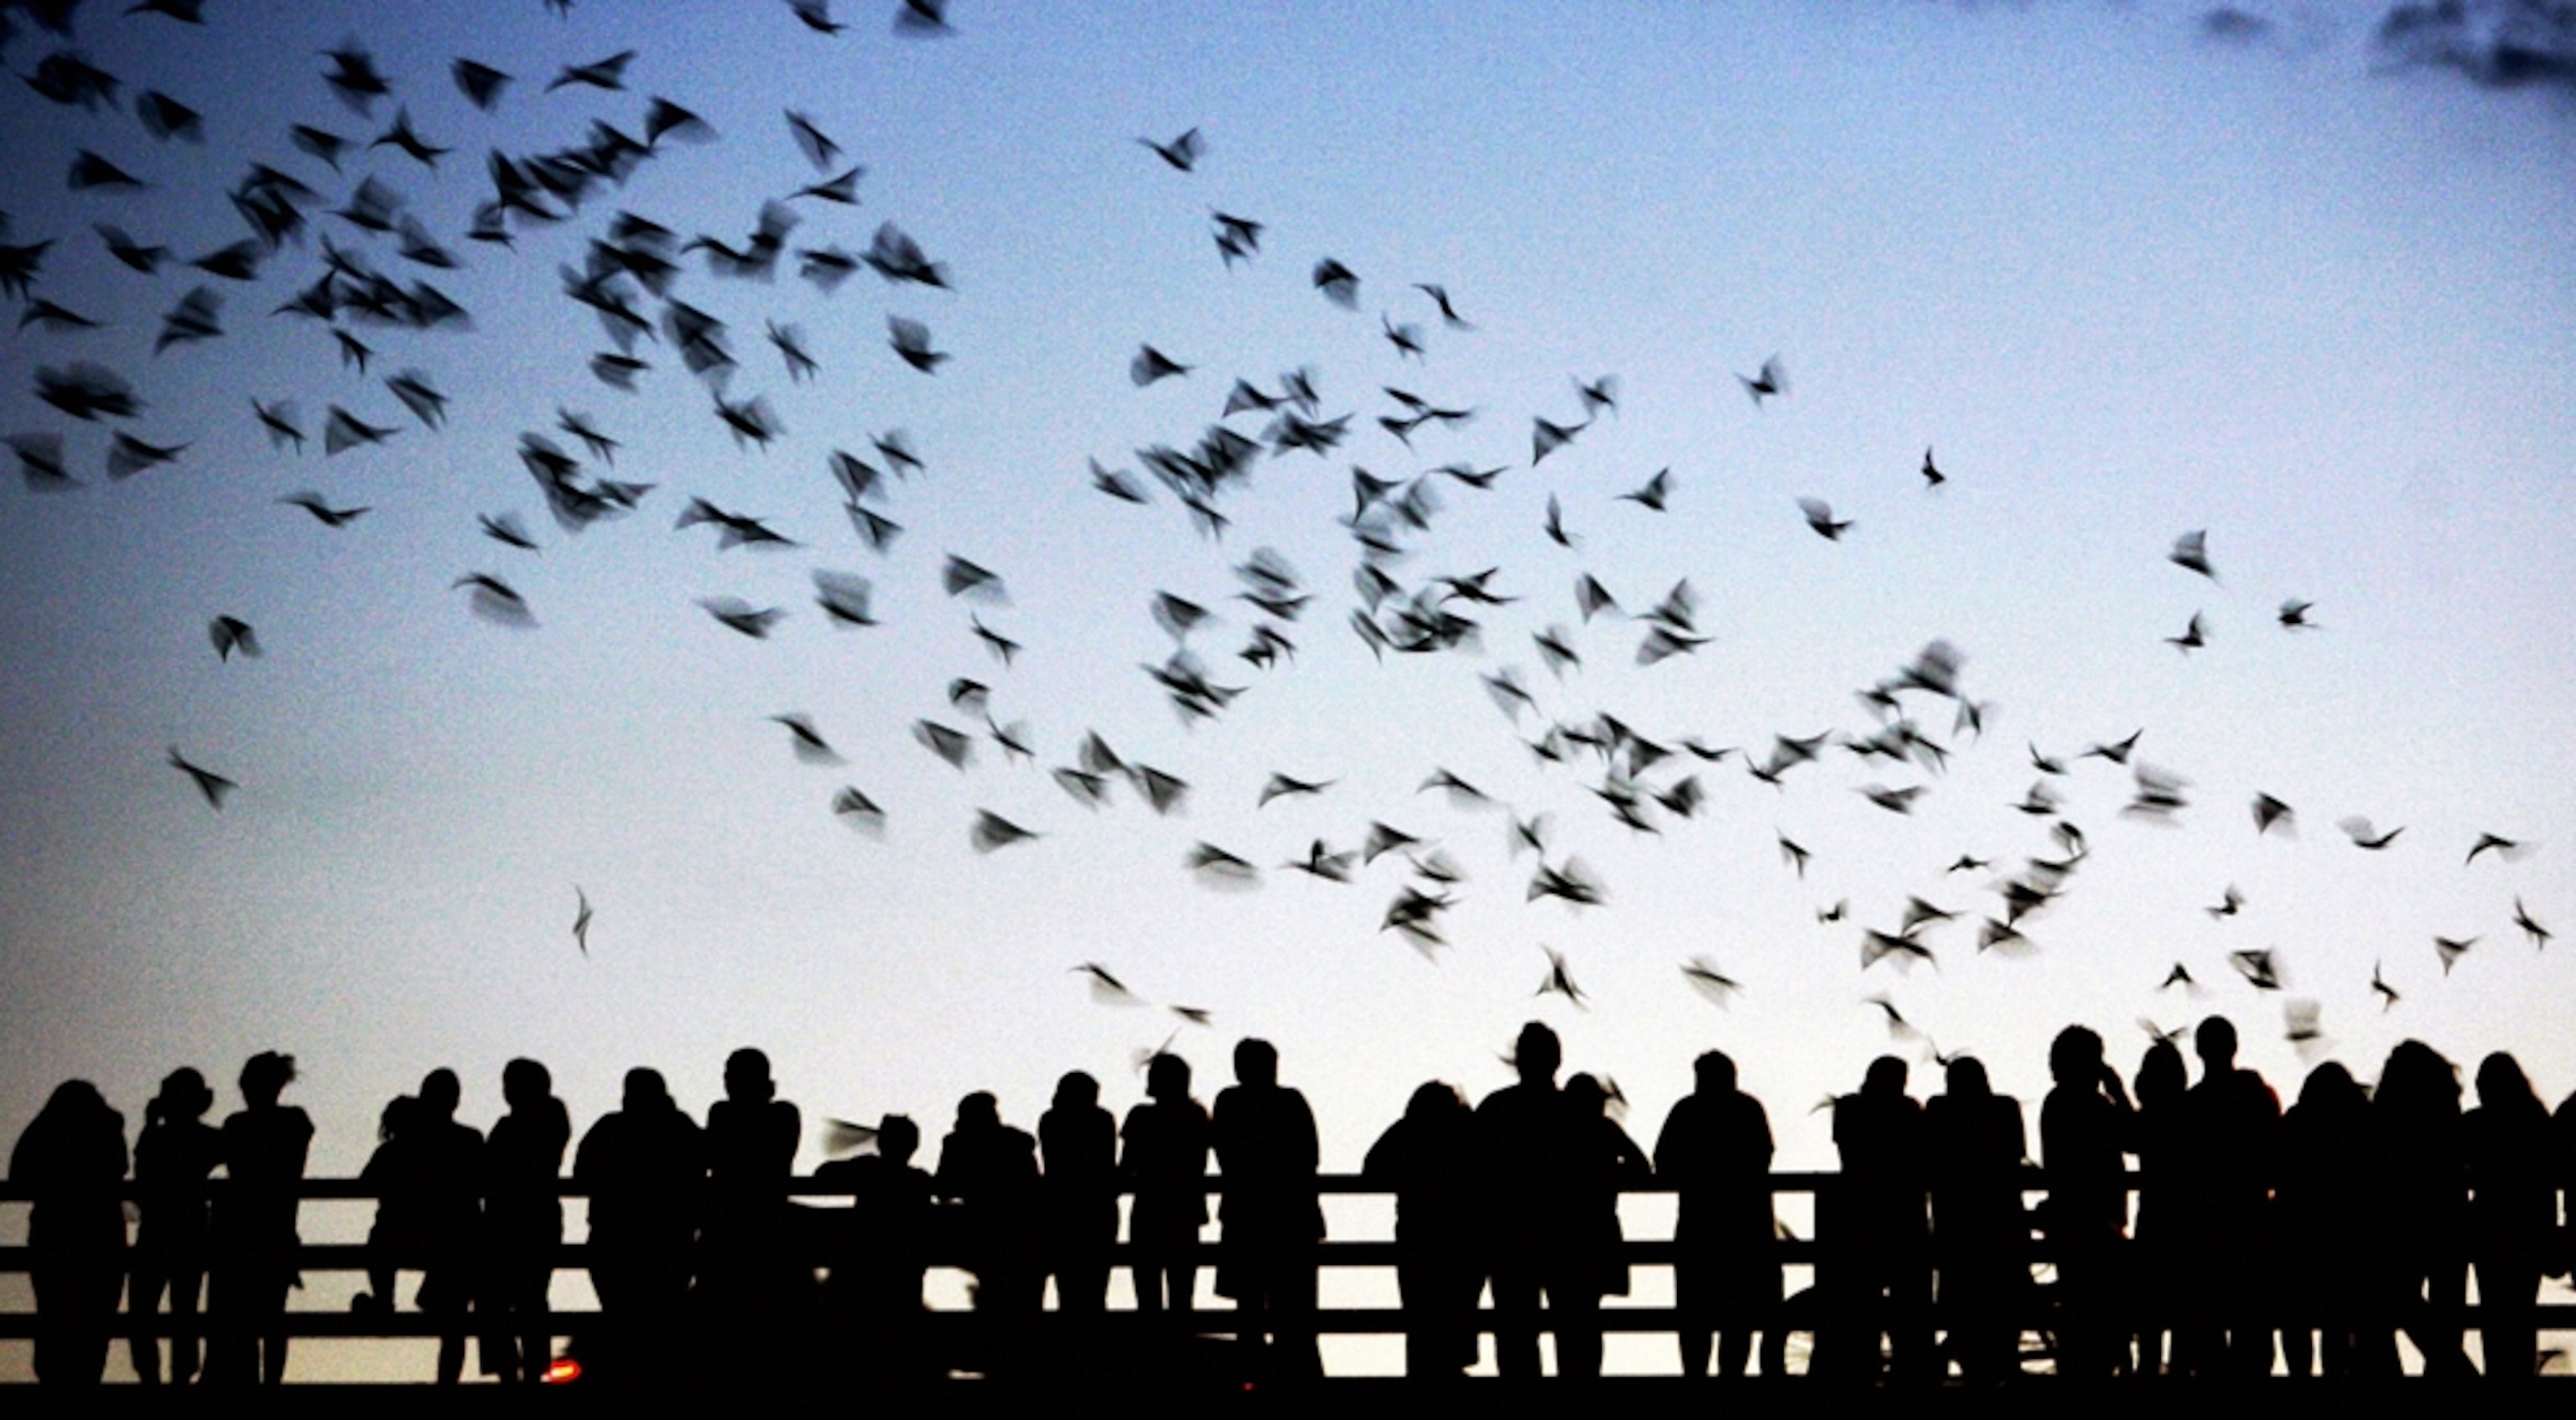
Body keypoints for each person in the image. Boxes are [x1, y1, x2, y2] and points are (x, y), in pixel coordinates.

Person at [572, 1067, 704, 1382]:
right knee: (661, 1320)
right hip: (670, 1239)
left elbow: (582, 1172)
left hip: (616, 1239)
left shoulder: (611, 1128)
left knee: (623, 1319)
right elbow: (702, 1165)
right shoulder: (680, 1127)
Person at [355, 1069, 484, 1382]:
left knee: (380, 1240)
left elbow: (364, 1183)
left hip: (405, 1238)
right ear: (455, 1102)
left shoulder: (398, 1148)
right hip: (454, 1242)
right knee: (454, 1322)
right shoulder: (469, 1140)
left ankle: (384, 1302)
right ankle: (446, 1385)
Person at [1654, 1049, 1776, 1378]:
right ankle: (1730, 1383)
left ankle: (1696, 1382)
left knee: (1695, 1314)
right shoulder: (1748, 1110)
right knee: (1738, 1315)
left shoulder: (1687, 1110)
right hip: (1744, 1229)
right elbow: (1763, 1157)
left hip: (1699, 1226)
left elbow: (1663, 1162)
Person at [1212, 1038, 1324, 1383]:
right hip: (1293, 1219)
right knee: (1295, 1312)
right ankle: (1299, 1382)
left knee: (1249, 1311)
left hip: (1246, 1217)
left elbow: (1225, 1154)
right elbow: (1310, 1156)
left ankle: (1253, 1380)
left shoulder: (1229, 1102)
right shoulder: (1291, 1102)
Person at [1476, 1021, 1582, 1379]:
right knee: (1573, 1327)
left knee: (1515, 1330)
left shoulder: (1496, 1108)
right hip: (1566, 1232)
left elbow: (1472, 1168)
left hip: (1509, 1234)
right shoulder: (1573, 1111)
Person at [2358, 1039, 2470, 1376]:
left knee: (2393, 1301)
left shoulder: (2386, 1117)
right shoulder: (2446, 1111)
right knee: (2447, 1310)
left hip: (2400, 1222)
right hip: (2448, 1218)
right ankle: (2452, 1376)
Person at [2176, 1017, 2279, 1377]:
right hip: (2251, 1223)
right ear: (2233, 1047)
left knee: (2209, 1331)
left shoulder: (2191, 1106)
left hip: (2205, 1230)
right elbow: (2274, 1152)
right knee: (2253, 1327)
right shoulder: (2254, 1094)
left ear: (2199, 1051)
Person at [1816, 1055, 1930, 1381]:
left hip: (1858, 1218)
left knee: (1860, 1300)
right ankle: (1910, 1371)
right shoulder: (1909, 1110)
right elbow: (1921, 1156)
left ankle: (1861, 1368)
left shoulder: (1850, 1108)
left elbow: (1849, 1152)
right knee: (1908, 1301)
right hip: (1904, 1217)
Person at [10, 1080, 128, 1384]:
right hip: (101, 1236)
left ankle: (56, 1385)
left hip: (54, 1235)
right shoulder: (107, 1129)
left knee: (54, 1312)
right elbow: (120, 1166)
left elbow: (19, 1174)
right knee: (95, 1317)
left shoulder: (46, 1132)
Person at [205, 1051, 314, 1385]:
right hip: (275, 1231)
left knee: (245, 1316)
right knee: (271, 1315)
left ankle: (251, 1384)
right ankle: (269, 1386)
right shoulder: (294, 1122)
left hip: (241, 1232)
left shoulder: (239, 1125)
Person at [1363, 1081, 1480, 1377]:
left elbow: (1372, 1168)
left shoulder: (1410, 1131)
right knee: (1457, 1314)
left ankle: (1424, 1382)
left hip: (1418, 1239)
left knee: (1421, 1318)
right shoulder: (1465, 1131)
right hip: (1461, 1239)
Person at [1924, 1055, 2028, 1382]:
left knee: (1961, 1301)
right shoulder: (2005, 1109)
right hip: (2002, 1222)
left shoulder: (1939, 1110)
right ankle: (2004, 1366)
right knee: (2005, 1300)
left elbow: (1928, 1157)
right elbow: (2015, 1156)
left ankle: (1971, 1366)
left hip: (1955, 1224)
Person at [2038, 1026, 2131, 1379]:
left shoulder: (2056, 1103)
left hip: (2069, 1227)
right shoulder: (2093, 1106)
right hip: (2099, 1228)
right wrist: (2118, 1092)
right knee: (2102, 1320)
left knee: (2079, 1315)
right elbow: (2135, 1138)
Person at [816, 1114, 935, 1378]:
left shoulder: (868, 1169)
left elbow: (823, 1174)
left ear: (882, 1142)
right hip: (904, 1279)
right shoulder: (919, 1180)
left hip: (863, 1277)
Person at [937, 1091, 1043, 1376]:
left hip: (983, 1234)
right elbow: (1033, 1187)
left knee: (994, 1298)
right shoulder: (1016, 1144)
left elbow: (944, 1189)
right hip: (1019, 1234)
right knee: (1019, 1302)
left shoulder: (957, 1144)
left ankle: (995, 1358)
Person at [2274, 1062, 2370, 1377]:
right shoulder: (2356, 1128)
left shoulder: (2294, 1123)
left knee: (2295, 1319)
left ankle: (2300, 1377)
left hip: (2296, 1240)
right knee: (2338, 1320)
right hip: (2345, 1240)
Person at [128, 1067, 222, 1385]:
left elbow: (140, 1180)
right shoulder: (209, 1138)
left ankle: (150, 1378)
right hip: (191, 1231)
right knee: (185, 1311)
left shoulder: (153, 1137)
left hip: (155, 1233)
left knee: (143, 1312)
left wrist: (150, 1124)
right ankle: (180, 1379)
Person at [480, 1058, 571, 1384]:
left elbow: (490, 1168)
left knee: (509, 1300)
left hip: (516, 1221)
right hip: (536, 1218)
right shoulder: (549, 1118)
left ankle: (518, 1373)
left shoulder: (525, 1123)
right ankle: (528, 1372)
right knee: (526, 1299)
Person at [2462, 1052, 2553, 1380]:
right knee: (2522, 1311)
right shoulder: (2536, 1121)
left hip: (2489, 1232)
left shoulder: (2475, 1125)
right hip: (2528, 1230)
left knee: (2493, 1313)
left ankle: (2497, 1381)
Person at [1555, 1073, 1651, 1379]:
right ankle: (1588, 1378)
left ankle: (1571, 1377)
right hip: (1598, 1231)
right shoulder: (1605, 1131)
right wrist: (1611, 1173)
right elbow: (1642, 1167)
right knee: (1589, 1316)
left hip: (1561, 1235)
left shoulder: (1557, 1134)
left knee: (1565, 1316)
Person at [1120, 1054, 1213, 1339]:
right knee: (1182, 1294)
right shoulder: (1197, 1117)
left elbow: (1126, 1168)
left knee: (1147, 1295)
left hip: (1149, 1210)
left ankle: (1154, 1353)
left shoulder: (1140, 1117)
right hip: (1185, 1212)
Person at [2127, 1040, 2190, 1376]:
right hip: (2187, 1223)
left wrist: (2118, 1093)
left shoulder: (2151, 1116)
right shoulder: (2190, 1113)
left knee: (2149, 1311)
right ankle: (2179, 1372)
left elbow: (2130, 1137)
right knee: (2182, 1311)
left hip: (2152, 1220)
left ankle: (2147, 1372)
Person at [1040, 1070, 1119, 1318]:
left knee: (1067, 1283)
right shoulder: (1103, 1120)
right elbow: (1107, 1163)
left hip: (1061, 1209)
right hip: (1098, 1209)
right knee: (1096, 1284)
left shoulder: (1051, 1120)